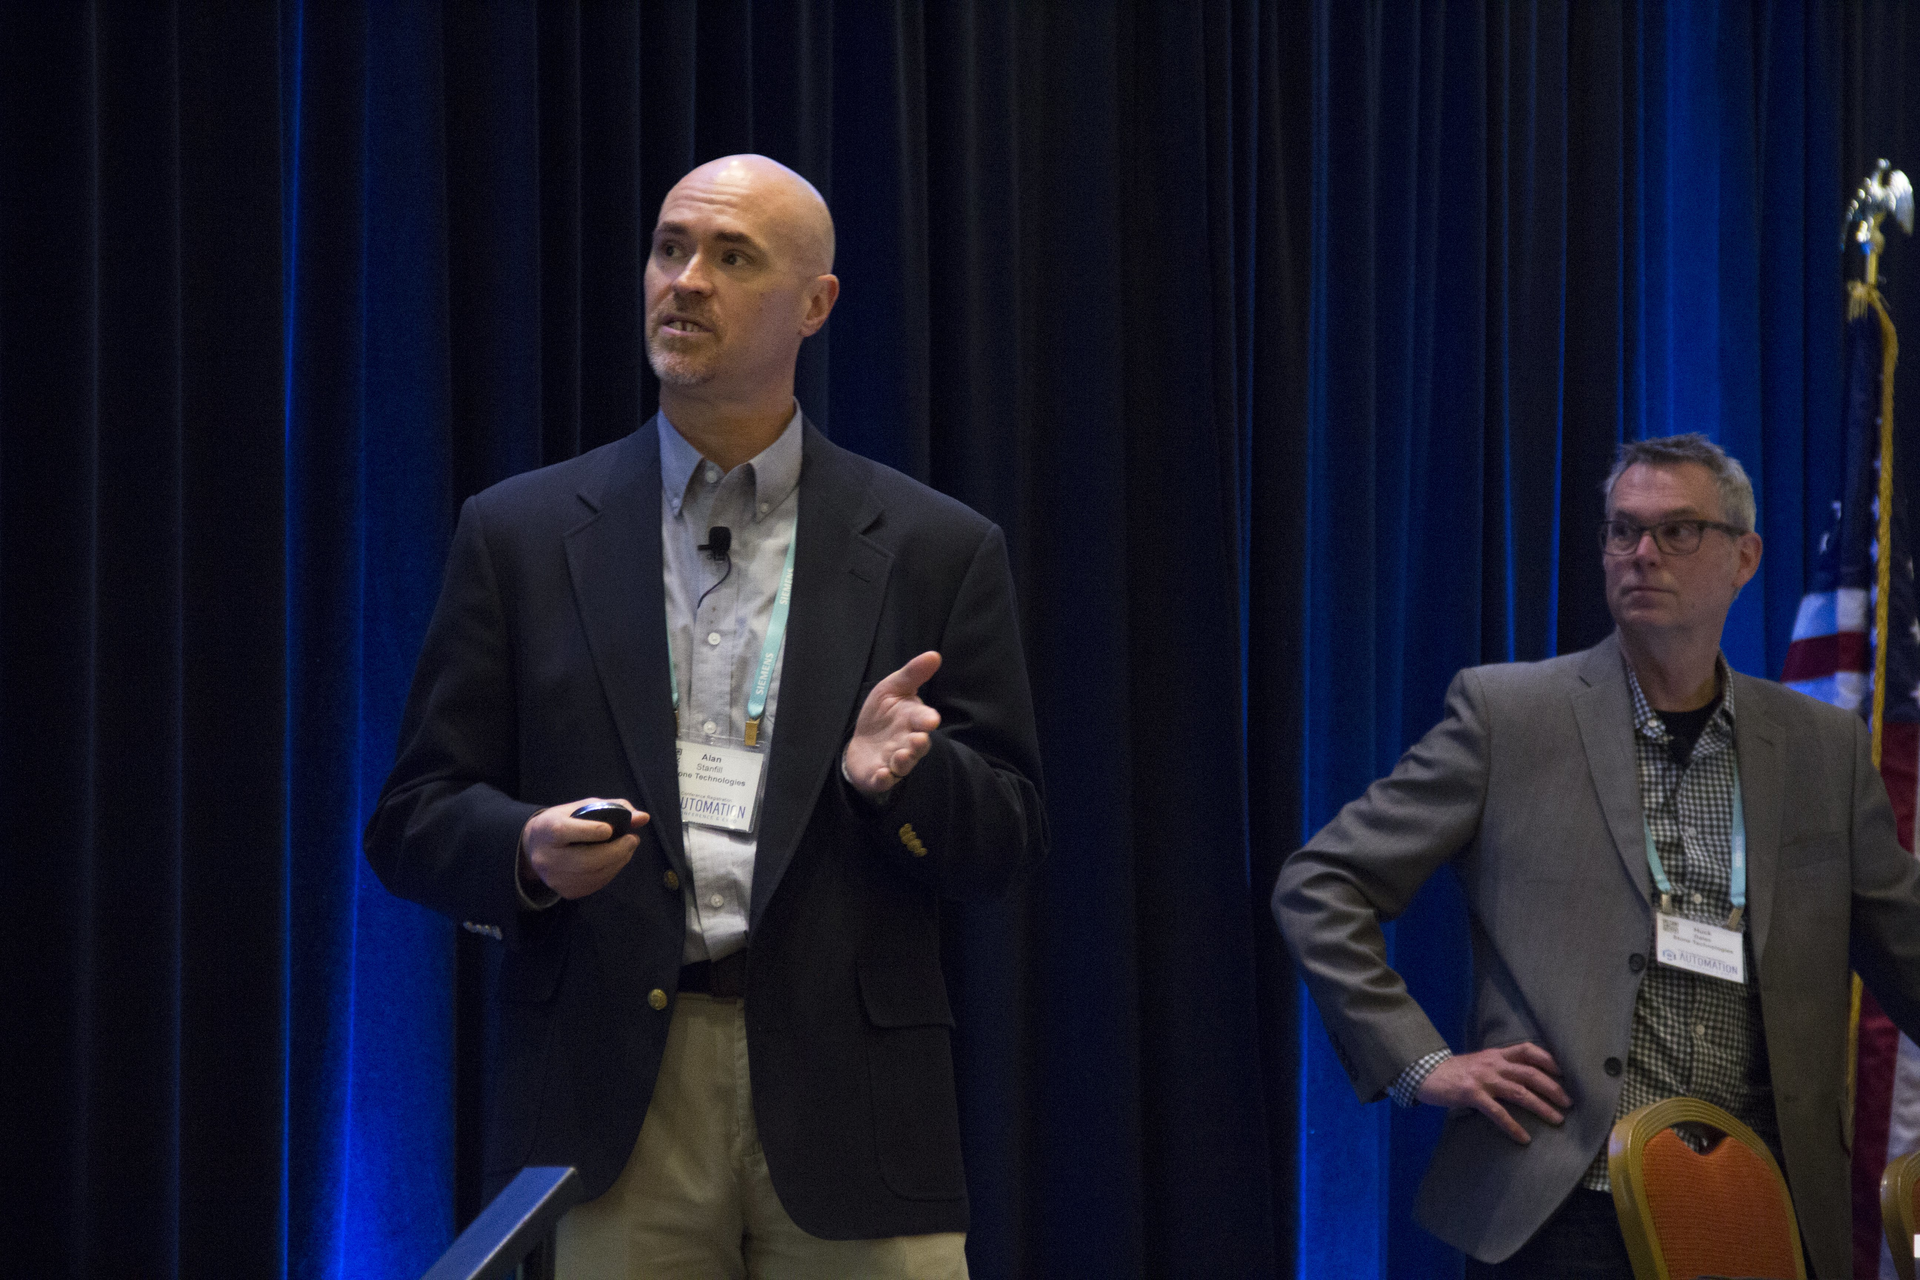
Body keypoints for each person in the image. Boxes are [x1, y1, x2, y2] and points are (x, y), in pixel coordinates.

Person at [365, 154, 1045, 1280]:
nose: (685, 281)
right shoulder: (522, 533)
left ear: (815, 304)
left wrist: (904, 781)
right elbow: (413, 816)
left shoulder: (936, 547)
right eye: (670, 248)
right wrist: (527, 850)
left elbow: (1009, 839)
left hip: (855, 1105)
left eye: (733, 258)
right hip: (612, 1104)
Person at [1273, 434, 1920, 1278]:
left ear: (1744, 557)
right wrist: (1419, 1063)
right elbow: (1321, 884)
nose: (1643, 553)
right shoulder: (1509, 716)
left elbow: (1907, 947)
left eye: (1677, 530)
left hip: (1764, 1202)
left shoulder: (1820, 748)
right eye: (1623, 530)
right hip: (1565, 1204)